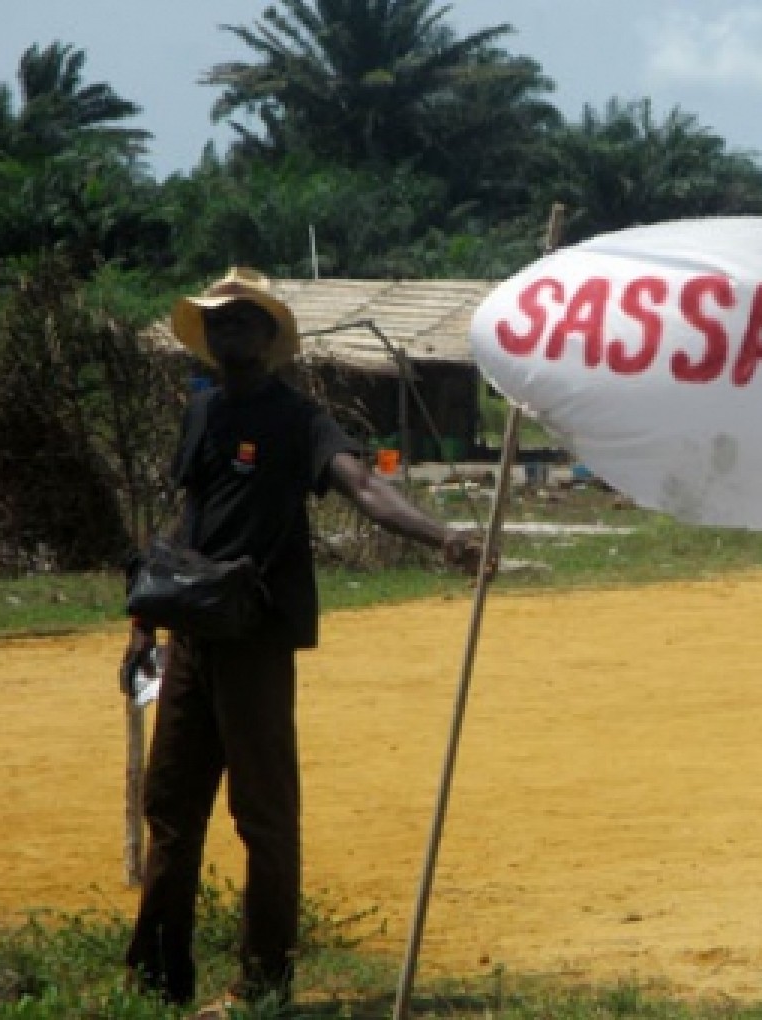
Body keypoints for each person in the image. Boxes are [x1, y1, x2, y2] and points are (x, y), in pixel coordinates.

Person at [119, 267, 489, 1016]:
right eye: (218, 323)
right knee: (169, 807)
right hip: (192, 638)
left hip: (256, 638)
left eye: (242, 322)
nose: (229, 334)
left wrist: (443, 536)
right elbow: (186, 519)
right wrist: (144, 622)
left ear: (269, 336)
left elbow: (365, 487)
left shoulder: (300, 419)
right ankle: (158, 980)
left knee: (263, 814)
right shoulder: (202, 412)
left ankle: (261, 984)